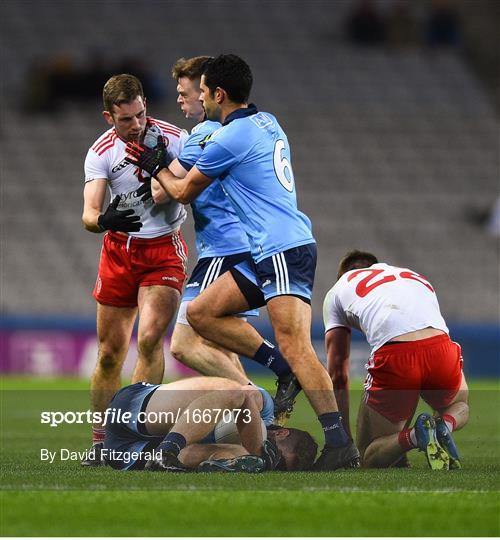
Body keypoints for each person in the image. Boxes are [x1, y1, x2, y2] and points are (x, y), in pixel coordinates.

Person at [125, 54, 360, 470]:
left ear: (218, 94)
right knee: (202, 312)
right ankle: (279, 368)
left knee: (298, 347)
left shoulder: (227, 138)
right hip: (266, 250)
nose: (198, 98)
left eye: (201, 91)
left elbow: (180, 192)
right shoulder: (267, 121)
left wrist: (158, 166)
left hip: (281, 249)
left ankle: (339, 443)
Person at [150, 55, 302, 417]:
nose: (186, 99)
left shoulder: (205, 133)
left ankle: (258, 401)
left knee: (184, 345)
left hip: (222, 249)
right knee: (222, 341)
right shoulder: (248, 127)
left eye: (190, 92)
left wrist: (155, 166)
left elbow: (164, 193)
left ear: (213, 93)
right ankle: (254, 418)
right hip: (245, 246)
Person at [81, 74, 188, 465]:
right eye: (127, 119)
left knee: (148, 341)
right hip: (119, 252)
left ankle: (133, 435)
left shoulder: (175, 138)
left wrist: (165, 176)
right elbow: (88, 214)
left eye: (141, 114)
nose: (137, 124)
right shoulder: (101, 152)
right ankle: (101, 444)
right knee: (109, 353)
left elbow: (188, 188)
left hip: (162, 250)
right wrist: (105, 219)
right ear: (109, 117)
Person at [323, 250, 469, 469]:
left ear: (343, 274)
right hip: (441, 347)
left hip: (396, 356)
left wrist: (343, 439)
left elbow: (337, 373)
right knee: (460, 405)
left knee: (369, 454)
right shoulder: (411, 275)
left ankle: (414, 437)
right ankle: (446, 425)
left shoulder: (339, 288)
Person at [102, 377, 317, 472]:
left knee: (246, 457)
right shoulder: (266, 410)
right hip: (137, 408)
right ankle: (166, 451)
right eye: (278, 459)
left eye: (278, 467)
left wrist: (256, 459)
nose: (273, 464)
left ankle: (164, 453)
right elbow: (243, 393)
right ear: (281, 433)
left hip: (125, 454)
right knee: (236, 393)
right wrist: (259, 447)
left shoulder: (246, 456)